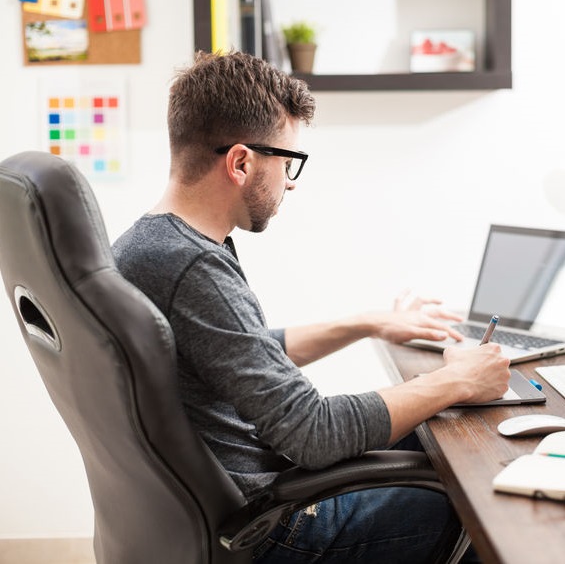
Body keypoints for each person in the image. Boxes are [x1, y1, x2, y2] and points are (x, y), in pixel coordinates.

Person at [112, 51, 511, 563]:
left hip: (245, 497)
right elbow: (312, 433)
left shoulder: (151, 244)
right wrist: (457, 379)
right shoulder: (190, 266)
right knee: (485, 497)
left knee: (442, 433)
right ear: (240, 162)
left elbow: (238, 354)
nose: (291, 182)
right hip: (273, 529)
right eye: (287, 162)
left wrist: (367, 322)